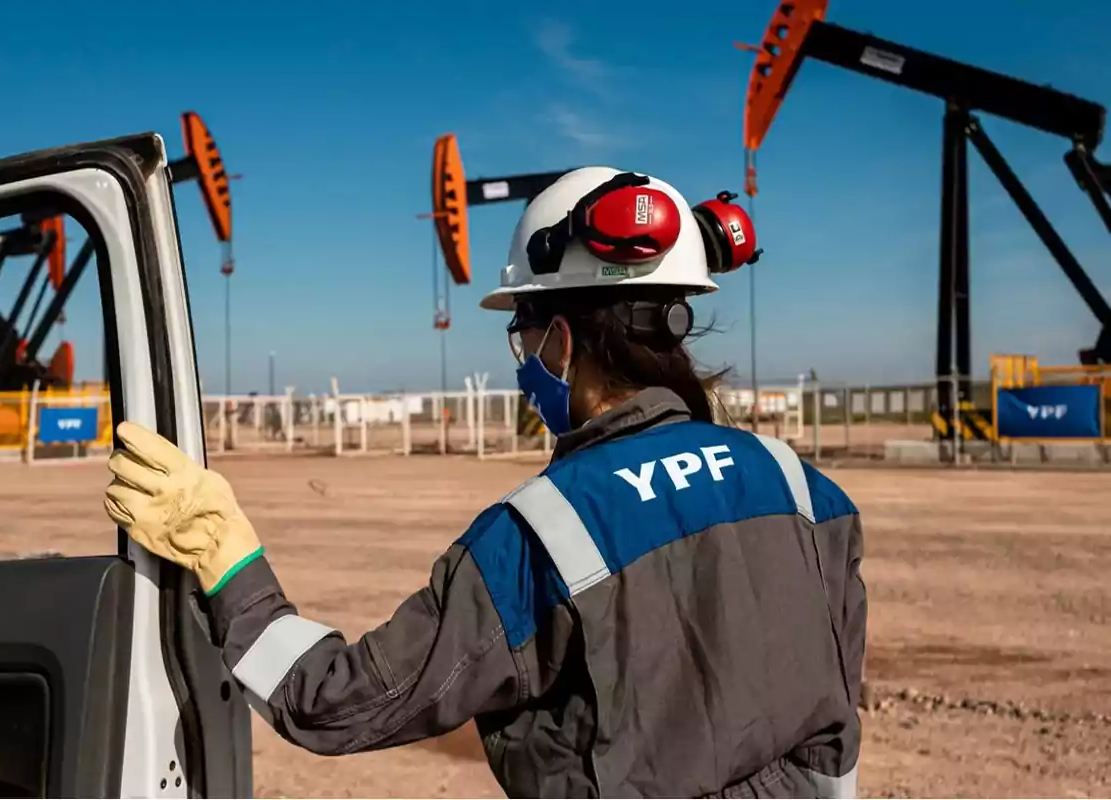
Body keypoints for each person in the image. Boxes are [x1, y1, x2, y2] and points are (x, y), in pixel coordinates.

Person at [104, 167, 867, 798]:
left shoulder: (544, 535)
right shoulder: (803, 490)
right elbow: (834, 729)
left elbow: (338, 702)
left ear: (559, 341)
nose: (522, 363)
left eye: (522, 335)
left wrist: (227, 562)